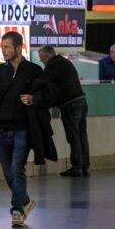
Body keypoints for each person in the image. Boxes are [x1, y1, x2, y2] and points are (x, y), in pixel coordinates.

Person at [0, 32, 44, 228]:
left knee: (16, 168)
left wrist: (33, 99)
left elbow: (49, 94)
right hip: (3, 130)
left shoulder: (33, 71)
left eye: (7, 47)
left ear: (18, 48)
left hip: (23, 129)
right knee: (8, 173)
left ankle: (17, 210)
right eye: (2, 46)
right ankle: (25, 201)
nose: (3, 50)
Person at [38, 46, 90, 177]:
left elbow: (43, 83)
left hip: (70, 104)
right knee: (82, 135)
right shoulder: (64, 62)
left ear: (46, 56)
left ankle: (76, 167)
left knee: (73, 136)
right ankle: (85, 166)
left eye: (41, 57)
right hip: (82, 101)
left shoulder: (52, 66)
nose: (40, 60)